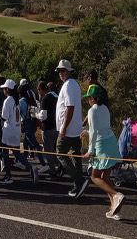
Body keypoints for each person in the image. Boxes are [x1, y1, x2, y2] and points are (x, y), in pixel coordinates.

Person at [82, 86, 125, 220]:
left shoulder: (91, 111)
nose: (88, 100)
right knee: (105, 177)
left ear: (93, 99)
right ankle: (114, 208)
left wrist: (90, 151)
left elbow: (95, 132)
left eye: (89, 98)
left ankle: (116, 195)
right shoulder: (105, 108)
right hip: (111, 141)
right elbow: (101, 128)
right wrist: (88, 132)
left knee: (95, 176)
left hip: (102, 145)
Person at [55, 59, 90, 198]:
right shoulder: (73, 84)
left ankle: (78, 180)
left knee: (60, 152)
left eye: (63, 70)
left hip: (69, 128)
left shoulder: (68, 86)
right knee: (75, 154)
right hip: (76, 128)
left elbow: (70, 108)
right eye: (59, 71)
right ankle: (78, 183)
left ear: (69, 71)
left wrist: (63, 128)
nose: (60, 73)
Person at [0, 79, 36, 186]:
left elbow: (4, 117)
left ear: (8, 90)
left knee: (5, 152)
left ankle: (8, 175)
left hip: (8, 129)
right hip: (17, 129)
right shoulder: (16, 100)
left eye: (5, 89)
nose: (4, 90)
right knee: (16, 152)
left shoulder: (7, 101)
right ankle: (30, 168)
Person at [19, 82, 47, 169]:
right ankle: (24, 161)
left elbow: (20, 114)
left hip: (27, 123)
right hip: (33, 122)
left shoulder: (21, 102)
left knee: (34, 143)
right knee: (26, 142)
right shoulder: (30, 99)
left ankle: (43, 163)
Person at [38, 81, 61, 179]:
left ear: (40, 90)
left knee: (48, 151)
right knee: (52, 149)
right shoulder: (56, 97)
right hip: (56, 126)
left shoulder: (45, 99)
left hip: (47, 127)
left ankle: (53, 171)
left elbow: (43, 116)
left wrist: (35, 114)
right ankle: (60, 166)